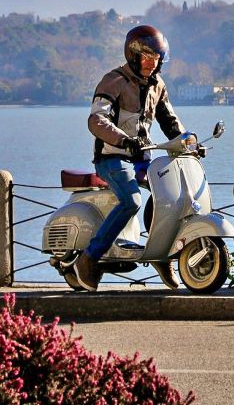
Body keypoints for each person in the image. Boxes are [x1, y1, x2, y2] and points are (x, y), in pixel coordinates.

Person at [72, 24, 186, 292]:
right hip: (112, 156)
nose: (151, 64)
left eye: (156, 59)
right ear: (133, 55)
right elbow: (96, 120)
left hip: (140, 157)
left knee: (169, 195)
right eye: (147, 58)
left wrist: (188, 141)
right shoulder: (113, 81)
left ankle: (160, 253)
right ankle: (88, 258)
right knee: (133, 200)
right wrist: (123, 140)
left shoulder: (157, 85)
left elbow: (170, 121)